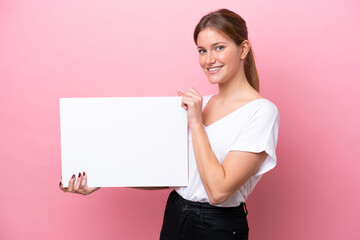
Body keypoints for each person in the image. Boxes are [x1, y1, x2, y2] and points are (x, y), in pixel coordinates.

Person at [59, 8, 279, 240]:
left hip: (218, 227)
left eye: (219, 47)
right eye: (202, 50)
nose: (209, 59)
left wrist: (196, 122)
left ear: (243, 49)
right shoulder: (200, 104)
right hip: (176, 214)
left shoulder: (261, 112)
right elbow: (173, 176)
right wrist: (102, 178)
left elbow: (218, 191)